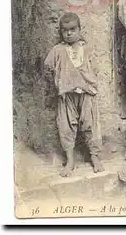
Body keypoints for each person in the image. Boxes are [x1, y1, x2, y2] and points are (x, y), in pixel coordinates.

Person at [44, 12, 103, 177]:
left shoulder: (87, 48)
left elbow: (95, 69)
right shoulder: (58, 50)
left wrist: (85, 81)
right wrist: (61, 80)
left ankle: (95, 157)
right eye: (65, 30)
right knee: (66, 125)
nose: (69, 33)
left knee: (90, 124)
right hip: (67, 95)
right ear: (61, 32)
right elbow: (48, 67)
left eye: (72, 29)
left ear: (79, 29)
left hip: (86, 94)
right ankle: (70, 160)